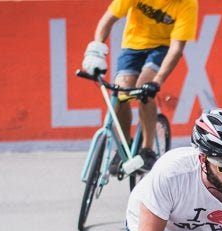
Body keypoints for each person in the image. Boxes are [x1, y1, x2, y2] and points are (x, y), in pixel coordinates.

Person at [81, 0, 199, 171]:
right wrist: (96, 50)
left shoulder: (187, 4)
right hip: (132, 46)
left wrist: (157, 81)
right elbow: (108, 19)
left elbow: (176, 48)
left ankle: (147, 149)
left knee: (144, 88)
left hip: (161, 48)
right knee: (120, 92)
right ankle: (125, 145)